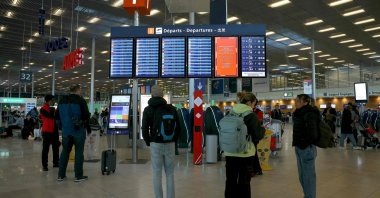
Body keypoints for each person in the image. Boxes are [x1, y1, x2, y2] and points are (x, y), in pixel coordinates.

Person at [142, 85, 181, 198]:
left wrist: (149, 141)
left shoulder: (148, 109)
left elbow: (144, 129)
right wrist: (173, 140)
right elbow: (179, 127)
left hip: (155, 144)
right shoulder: (171, 108)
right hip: (170, 144)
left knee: (156, 173)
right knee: (170, 173)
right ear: (162, 95)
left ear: (152, 95)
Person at [224, 91, 264, 198]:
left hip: (230, 152)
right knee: (244, 182)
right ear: (250, 102)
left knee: (230, 181)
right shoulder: (251, 116)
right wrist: (262, 130)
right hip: (245, 154)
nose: (254, 106)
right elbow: (257, 136)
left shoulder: (230, 113)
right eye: (254, 104)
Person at [56, 84, 90, 182]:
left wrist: (62, 127)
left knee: (65, 152)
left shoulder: (61, 101)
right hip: (78, 131)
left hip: (66, 131)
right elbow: (86, 116)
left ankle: (61, 175)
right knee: (79, 153)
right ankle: (78, 176)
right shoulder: (81, 101)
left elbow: (57, 117)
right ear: (78, 90)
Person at [292, 94, 319, 198]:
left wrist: (303, 144)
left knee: (308, 177)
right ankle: (307, 195)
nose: (295, 102)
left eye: (298, 101)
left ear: (305, 102)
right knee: (302, 176)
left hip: (306, 148)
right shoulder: (299, 112)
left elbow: (313, 134)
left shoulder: (310, 113)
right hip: (300, 147)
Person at [39, 95, 60, 171]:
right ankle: (45, 165)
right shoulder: (42, 109)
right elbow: (49, 116)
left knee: (56, 147)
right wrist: (55, 110)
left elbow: (56, 117)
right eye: (52, 100)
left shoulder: (52, 109)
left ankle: (56, 162)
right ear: (49, 100)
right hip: (47, 131)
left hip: (54, 130)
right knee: (45, 149)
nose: (54, 101)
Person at [251, 99, 263, 177]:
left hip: (254, 135)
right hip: (251, 135)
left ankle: (256, 170)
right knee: (253, 153)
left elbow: (259, 122)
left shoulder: (258, 112)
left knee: (253, 153)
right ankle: (257, 170)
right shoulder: (250, 112)